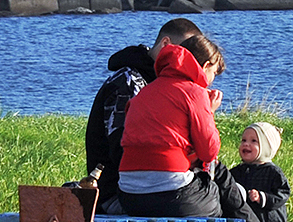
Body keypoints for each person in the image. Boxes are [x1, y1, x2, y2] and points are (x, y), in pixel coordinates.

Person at [79, 17, 203, 211]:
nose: (192, 62)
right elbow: (121, 149)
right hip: (121, 192)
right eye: (187, 53)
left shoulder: (163, 84)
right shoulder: (128, 83)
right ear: (166, 44)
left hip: (153, 185)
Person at [115, 33, 227, 217]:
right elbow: (209, 151)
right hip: (171, 192)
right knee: (214, 195)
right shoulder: (194, 92)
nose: (211, 81)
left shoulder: (144, 92)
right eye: (214, 73)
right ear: (206, 66)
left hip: (129, 194)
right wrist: (210, 112)